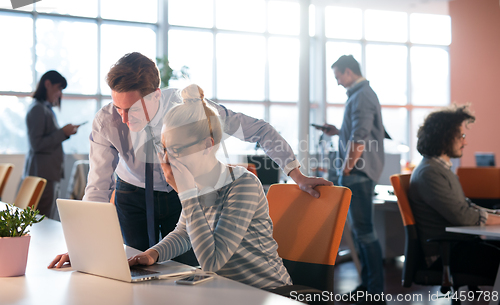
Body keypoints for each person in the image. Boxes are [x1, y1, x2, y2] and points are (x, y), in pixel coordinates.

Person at [49, 52, 332, 268]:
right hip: (132, 195)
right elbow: (97, 187)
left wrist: (296, 174)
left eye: (131, 110)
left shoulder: (189, 110)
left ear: (155, 96)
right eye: (118, 108)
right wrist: (82, 248)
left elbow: (259, 130)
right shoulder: (106, 121)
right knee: (133, 268)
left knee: (186, 271)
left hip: (183, 194)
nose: (123, 119)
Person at [128, 84, 292, 289]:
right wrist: (152, 254)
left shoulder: (243, 185)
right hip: (228, 290)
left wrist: (187, 194)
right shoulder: (196, 184)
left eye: (176, 149)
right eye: (164, 149)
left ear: (207, 145)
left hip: (269, 291)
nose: (167, 160)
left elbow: (212, 261)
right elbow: (184, 233)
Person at [314, 55, 385, 304]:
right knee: (359, 233)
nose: (337, 83)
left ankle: (375, 292)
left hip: (358, 173)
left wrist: (346, 169)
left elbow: (360, 136)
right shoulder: (359, 96)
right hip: (358, 171)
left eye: (337, 77)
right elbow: (355, 131)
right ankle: (369, 286)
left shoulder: (362, 96)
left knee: (364, 233)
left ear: (348, 72)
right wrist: (336, 131)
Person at [409, 105, 500, 281]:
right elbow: (462, 216)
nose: (465, 142)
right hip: (445, 255)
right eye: (461, 136)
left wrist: (496, 214)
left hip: (458, 246)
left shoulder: (439, 169)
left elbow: (465, 207)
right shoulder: (429, 172)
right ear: (444, 138)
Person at [23, 71, 80, 219]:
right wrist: (62, 132)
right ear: (47, 84)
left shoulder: (45, 109)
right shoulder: (38, 109)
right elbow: (37, 144)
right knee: (42, 219)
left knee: (44, 217)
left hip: (46, 173)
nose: (60, 94)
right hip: (42, 173)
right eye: (59, 88)